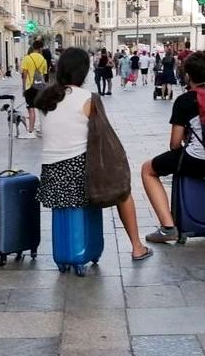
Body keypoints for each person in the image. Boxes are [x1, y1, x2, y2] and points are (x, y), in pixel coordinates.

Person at [35, 48, 153, 261]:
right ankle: (137, 247)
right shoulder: (88, 98)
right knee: (123, 191)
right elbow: (105, 135)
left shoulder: (45, 98)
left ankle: (67, 251)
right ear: (83, 71)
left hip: (52, 178)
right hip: (81, 174)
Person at [141, 51, 205, 242]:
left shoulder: (185, 100)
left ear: (188, 76)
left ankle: (168, 227)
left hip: (197, 160)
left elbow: (174, 144)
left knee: (148, 170)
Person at [20, 39, 48, 139]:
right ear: (40, 48)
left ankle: (31, 131)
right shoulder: (43, 60)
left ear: (32, 47)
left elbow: (24, 75)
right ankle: (42, 129)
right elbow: (43, 75)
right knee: (41, 109)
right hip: (40, 87)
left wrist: (24, 88)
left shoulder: (27, 58)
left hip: (29, 87)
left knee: (31, 109)